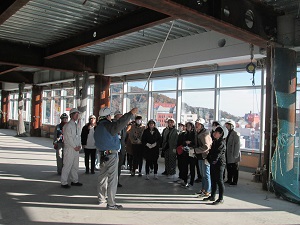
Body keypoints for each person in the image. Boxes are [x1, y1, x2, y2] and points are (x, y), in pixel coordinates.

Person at [94, 107, 138, 210]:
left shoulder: (98, 127)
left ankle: (101, 198)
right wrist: (130, 113)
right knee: (113, 180)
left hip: (102, 155)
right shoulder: (108, 126)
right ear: (108, 116)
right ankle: (111, 203)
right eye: (111, 116)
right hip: (111, 155)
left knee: (102, 178)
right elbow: (119, 125)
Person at [204, 125, 228, 205]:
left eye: (217, 132)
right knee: (213, 180)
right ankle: (212, 196)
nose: (214, 133)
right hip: (213, 163)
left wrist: (211, 160)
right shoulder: (215, 141)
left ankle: (221, 198)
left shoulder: (221, 143)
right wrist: (208, 158)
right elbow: (211, 152)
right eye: (215, 132)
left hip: (219, 164)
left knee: (219, 181)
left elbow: (217, 154)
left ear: (221, 134)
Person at [60, 108, 82, 188]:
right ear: (71, 115)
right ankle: (64, 182)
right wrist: (74, 146)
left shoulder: (77, 125)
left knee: (75, 166)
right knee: (67, 165)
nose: (77, 116)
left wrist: (79, 145)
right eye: (76, 114)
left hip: (76, 148)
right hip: (70, 149)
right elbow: (68, 137)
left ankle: (74, 180)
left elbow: (79, 136)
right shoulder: (68, 125)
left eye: (78, 114)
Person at [194, 118, 212, 197]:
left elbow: (206, 147)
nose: (196, 125)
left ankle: (207, 190)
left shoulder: (205, 134)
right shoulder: (198, 133)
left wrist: (195, 150)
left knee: (206, 174)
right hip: (200, 156)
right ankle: (203, 189)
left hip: (205, 156)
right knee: (202, 174)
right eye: (196, 124)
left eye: (198, 124)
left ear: (201, 125)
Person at [179, 121, 196, 189]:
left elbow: (196, 143)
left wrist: (190, 142)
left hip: (192, 151)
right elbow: (182, 142)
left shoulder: (194, 134)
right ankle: (185, 181)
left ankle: (191, 182)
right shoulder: (185, 134)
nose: (188, 127)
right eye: (187, 126)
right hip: (185, 152)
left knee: (192, 168)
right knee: (184, 167)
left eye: (189, 126)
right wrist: (185, 143)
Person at [225, 120, 241, 186]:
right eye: (227, 125)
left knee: (235, 168)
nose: (227, 126)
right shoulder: (227, 133)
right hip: (228, 153)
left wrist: (236, 155)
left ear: (232, 126)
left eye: (228, 125)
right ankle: (229, 179)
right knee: (229, 167)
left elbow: (237, 145)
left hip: (234, 154)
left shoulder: (235, 134)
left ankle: (234, 181)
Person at [113, 110, 126, 187]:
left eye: (121, 117)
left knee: (119, 166)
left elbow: (124, 137)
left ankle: (117, 181)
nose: (120, 118)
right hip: (113, 148)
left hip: (121, 148)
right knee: (113, 166)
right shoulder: (112, 125)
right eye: (118, 117)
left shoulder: (124, 126)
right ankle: (111, 181)